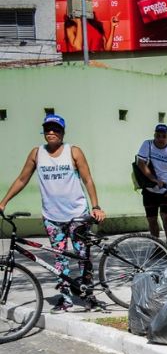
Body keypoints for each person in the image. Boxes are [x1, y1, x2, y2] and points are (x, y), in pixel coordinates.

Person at [0, 114, 106, 312]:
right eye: (48, 129)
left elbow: (88, 179)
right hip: (52, 217)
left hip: (77, 215)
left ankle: (89, 295)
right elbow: (22, 179)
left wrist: (96, 206)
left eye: (56, 129)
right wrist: (3, 202)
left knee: (83, 255)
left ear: (62, 132)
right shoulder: (36, 153)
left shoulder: (73, 152)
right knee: (59, 259)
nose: (51, 133)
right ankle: (65, 299)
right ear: (44, 132)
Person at [135, 123, 167, 242]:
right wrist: (154, 179)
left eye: (163, 136)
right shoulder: (148, 145)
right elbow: (140, 163)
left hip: (165, 191)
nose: (161, 139)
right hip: (149, 190)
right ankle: (157, 246)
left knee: (165, 216)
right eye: (158, 135)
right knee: (152, 219)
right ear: (154, 135)